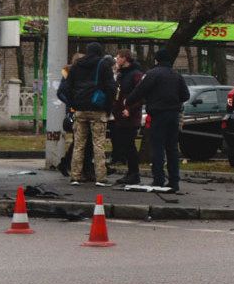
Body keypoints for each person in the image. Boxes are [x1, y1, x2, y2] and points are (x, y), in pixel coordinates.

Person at [125, 48, 189, 191]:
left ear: (157, 60)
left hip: (158, 114)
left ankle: (158, 179)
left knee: (158, 147)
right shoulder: (177, 76)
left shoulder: (152, 74)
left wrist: (127, 101)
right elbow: (186, 96)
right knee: (172, 148)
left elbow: (139, 91)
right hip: (174, 115)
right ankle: (174, 181)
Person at [57, 43, 116, 186]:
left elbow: (67, 88)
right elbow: (111, 88)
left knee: (78, 144)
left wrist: (74, 104)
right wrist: (108, 108)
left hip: (80, 110)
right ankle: (100, 177)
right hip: (98, 109)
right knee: (98, 145)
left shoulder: (76, 65)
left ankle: (76, 176)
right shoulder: (103, 65)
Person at [111, 49, 144, 185]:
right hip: (120, 115)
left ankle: (134, 173)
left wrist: (130, 109)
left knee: (129, 145)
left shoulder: (135, 74)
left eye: (118, 57)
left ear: (125, 58)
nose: (116, 59)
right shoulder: (121, 74)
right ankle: (130, 172)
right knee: (124, 144)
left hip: (130, 116)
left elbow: (141, 94)